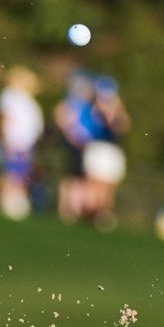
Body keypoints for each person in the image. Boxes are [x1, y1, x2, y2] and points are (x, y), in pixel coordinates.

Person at [82, 75, 130, 231]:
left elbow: (123, 126)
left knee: (109, 185)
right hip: (97, 147)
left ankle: (103, 214)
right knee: (95, 183)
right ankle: (91, 214)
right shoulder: (92, 108)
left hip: (112, 149)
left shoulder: (117, 109)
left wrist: (118, 109)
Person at [0, 66, 43, 221]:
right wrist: (5, 141)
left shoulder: (27, 100)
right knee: (11, 174)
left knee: (20, 175)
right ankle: (3, 203)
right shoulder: (10, 96)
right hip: (14, 142)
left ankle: (14, 204)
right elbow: (4, 119)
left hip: (25, 145)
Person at [53, 72, 96, 224]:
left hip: (83, 145)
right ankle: (67, 211)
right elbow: (61, 116)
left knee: (79, 178)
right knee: (72, 178)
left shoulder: (84, 105)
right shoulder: (72, 103)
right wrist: (71, 137)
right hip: (75, 145)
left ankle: (74, 211)